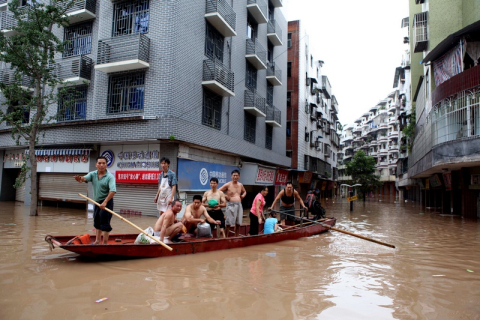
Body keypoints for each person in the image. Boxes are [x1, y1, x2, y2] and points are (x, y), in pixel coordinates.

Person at [74, 156, 116, 245]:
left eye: (103, 163)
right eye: (99, 163)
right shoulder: (92, 174)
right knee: (97, 221)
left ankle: (104, 244)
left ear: (106, 165)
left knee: (105, 222)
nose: (101, 165)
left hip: (107, 202)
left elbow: (112, 191)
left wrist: (105, 202)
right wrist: (80, 179)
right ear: (96, 164)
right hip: (96, 202)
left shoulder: (110, 177)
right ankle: (97, 241)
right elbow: (84, 178)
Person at [219, 170, 246, 237]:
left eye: (236, 175)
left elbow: (245, 192)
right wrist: (225, 196)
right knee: (228, 223)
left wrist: (243, 196)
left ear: (239, 176)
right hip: (230, 205)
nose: (235, 177)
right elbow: (219, 191)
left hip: (239, 204)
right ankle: (226, 237)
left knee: (238, 223)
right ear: (231, 176)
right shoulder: (228, 184)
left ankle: (236, 237)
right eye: (234, 175)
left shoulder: (240, 185)